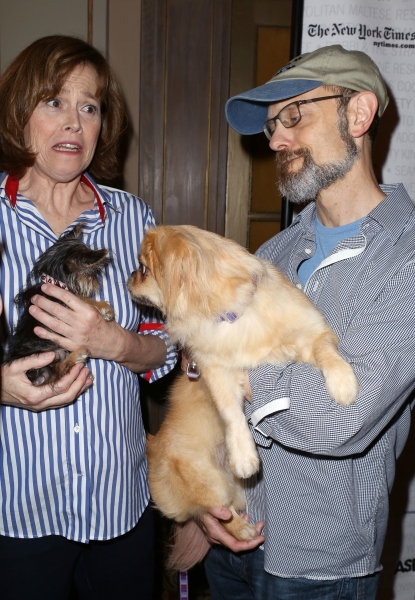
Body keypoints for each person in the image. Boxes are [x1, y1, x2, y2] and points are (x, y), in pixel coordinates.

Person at [200, 44, 415, 599]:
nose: (275, 139)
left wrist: (231, 352)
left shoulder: (406, 256)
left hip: (318, 566)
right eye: (272, 124)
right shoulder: (272, 252)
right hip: (233, 534)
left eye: (294, 114)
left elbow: (338, 416)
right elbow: (208, 386)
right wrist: (204, 497)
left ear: (359, 115)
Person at [0, 35, 177, 599]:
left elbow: (168, 345)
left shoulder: (133, 218)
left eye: (89, 106)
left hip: (119, 504)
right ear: (19, 111)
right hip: (17, 508)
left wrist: (114, 342)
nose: (73, 122)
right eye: (53, 101)